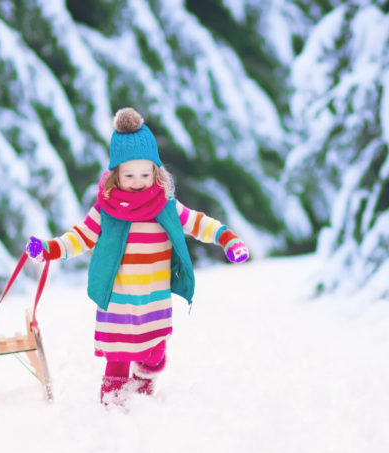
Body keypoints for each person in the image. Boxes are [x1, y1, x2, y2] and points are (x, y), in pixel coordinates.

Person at [26, 107, 249, 405]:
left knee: (152, 353)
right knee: (117, 356)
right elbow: (80, 236)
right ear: (115, 174)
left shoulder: (165, 206)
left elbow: (198, 222)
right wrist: (49, 249)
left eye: (145, 173)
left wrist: (227, 238)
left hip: (154, 299)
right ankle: (114, 403)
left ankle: (144, 388)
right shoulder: (107, 210)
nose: (137, 180)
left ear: (156, 172)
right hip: (118, 300)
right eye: (129, 174)